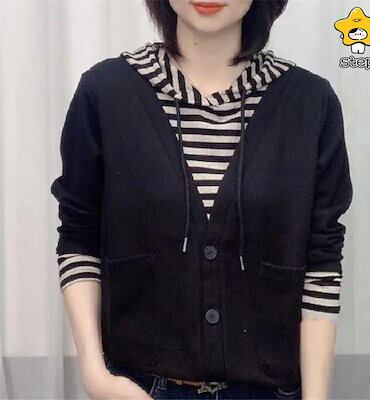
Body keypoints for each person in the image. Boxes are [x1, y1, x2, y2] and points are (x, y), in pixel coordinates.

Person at [50, 0, 353, 399]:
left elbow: (321, 262)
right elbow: (79, 238)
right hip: (138, 388)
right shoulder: (105, 93)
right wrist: (95, 375)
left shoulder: (310, 103)